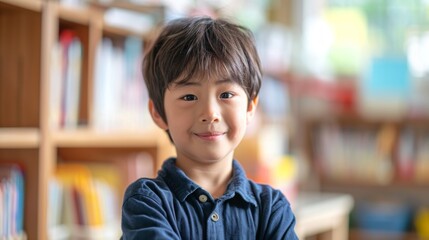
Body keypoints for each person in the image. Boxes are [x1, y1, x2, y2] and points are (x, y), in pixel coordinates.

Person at [121, 16, 298, 239]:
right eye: (189, 96)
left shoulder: (271, 208)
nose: (210, 113)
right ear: (158, 112)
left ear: (250, 107)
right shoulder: (147, 201)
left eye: (226, 94)